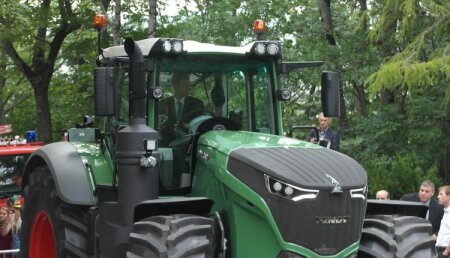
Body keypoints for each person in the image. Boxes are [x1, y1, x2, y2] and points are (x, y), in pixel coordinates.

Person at [158, 72, 204, 146]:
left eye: (189, 85)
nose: (188, 88)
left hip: (189, 145)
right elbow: (158, 125)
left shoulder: (197, 104)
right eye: (185, 85)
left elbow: (201, 125)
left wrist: (189, 126)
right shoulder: (162, 104)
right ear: (175, 85)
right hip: (166, 145)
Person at [436, 186, 450, 257]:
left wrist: (445, 253)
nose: (438, 196)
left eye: (441, 194)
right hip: (441, 250)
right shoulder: (446, 211)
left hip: (446, 252)